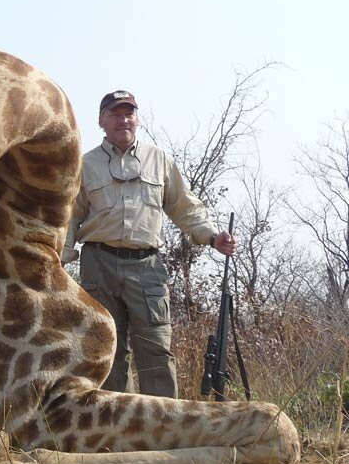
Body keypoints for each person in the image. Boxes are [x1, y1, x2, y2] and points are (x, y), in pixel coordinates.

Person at [61, 90, 237, 398]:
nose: (123, 120)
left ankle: (164, 426)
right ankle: (116, 429)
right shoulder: (84, 164)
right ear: (101, 121)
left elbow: (184, 207)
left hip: (147, 268)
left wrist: (212, 236)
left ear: (137, 120)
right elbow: (70, 217)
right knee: (107, 351)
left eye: (128, 114)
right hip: (99, 265)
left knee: (155, 349)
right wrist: (59, 258)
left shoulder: (160, 159)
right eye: (115, 114)